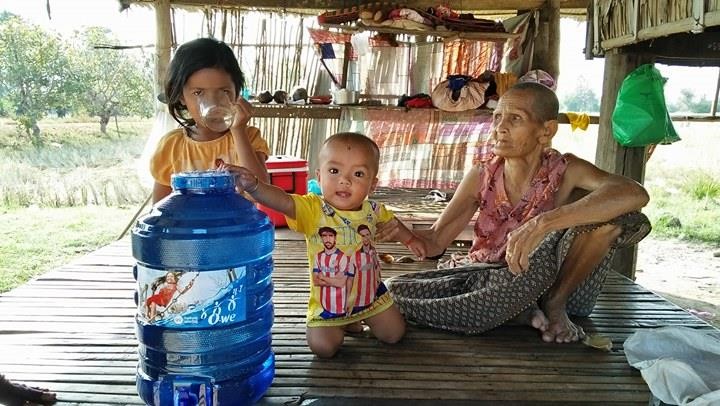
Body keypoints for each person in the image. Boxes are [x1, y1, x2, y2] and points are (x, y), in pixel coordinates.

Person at [378, 81, 651, 344]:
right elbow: (436, 240)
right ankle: (518, 311)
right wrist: (407, 235)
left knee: (617, 219)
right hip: (495, 282)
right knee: (392, 290)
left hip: (563, 288)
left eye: (515, 119)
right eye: (497, 118)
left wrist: (542, 224)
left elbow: (634, 194)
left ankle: (548, 306)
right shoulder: (481, 175)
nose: (499, 128)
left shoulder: (566, 171)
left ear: (546, 131)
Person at [219, 132, 426, 358]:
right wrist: (254, 186)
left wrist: (411, 239)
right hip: (330, 302)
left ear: (372, 184)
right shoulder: (313, 209)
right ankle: (345, 323)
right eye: (334, 171)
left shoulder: (373, 210)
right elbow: (282, 200)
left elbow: (392, 222)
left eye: (358, 174)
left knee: (394, 334)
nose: (344, 180)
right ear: (319, 176)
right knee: (324, 348)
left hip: (370, 296)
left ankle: (357, 318)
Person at [150, 37, 269, 203]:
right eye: (198, 93)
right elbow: (160, 208)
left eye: (224, 91)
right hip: (190, 229)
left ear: (237, 92)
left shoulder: (248, 138)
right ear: (181, 97)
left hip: (236, 228)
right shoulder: (172, 146)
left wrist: (238, 131)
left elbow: (262, 193)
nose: (214, 103)